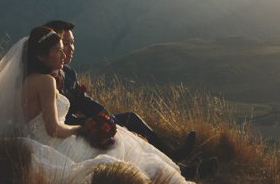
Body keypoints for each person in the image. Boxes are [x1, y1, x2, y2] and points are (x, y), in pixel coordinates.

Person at [0, 26, 196, 184]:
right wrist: (82, 129)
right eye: (57, 51)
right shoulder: (46, 82)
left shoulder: (28, 81)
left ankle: (178, 169)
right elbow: (53, 128)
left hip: (37, 140)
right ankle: (171, 179)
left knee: (123, 141)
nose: (62, 55)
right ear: (41, 56)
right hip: (54, 143)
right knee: (119, 145)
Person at [42, 20, 198, 164]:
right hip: (68, 130)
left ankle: (171, 155)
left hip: (87, 122)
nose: (70, 49)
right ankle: (178, 169)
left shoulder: (68, 72)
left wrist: (105, 117)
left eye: (73, 43)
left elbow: (83, 100)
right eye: (66, 43)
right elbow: (57, 119)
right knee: (123, 139)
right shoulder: (44, 79)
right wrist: (88, 124)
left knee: (130, 118)